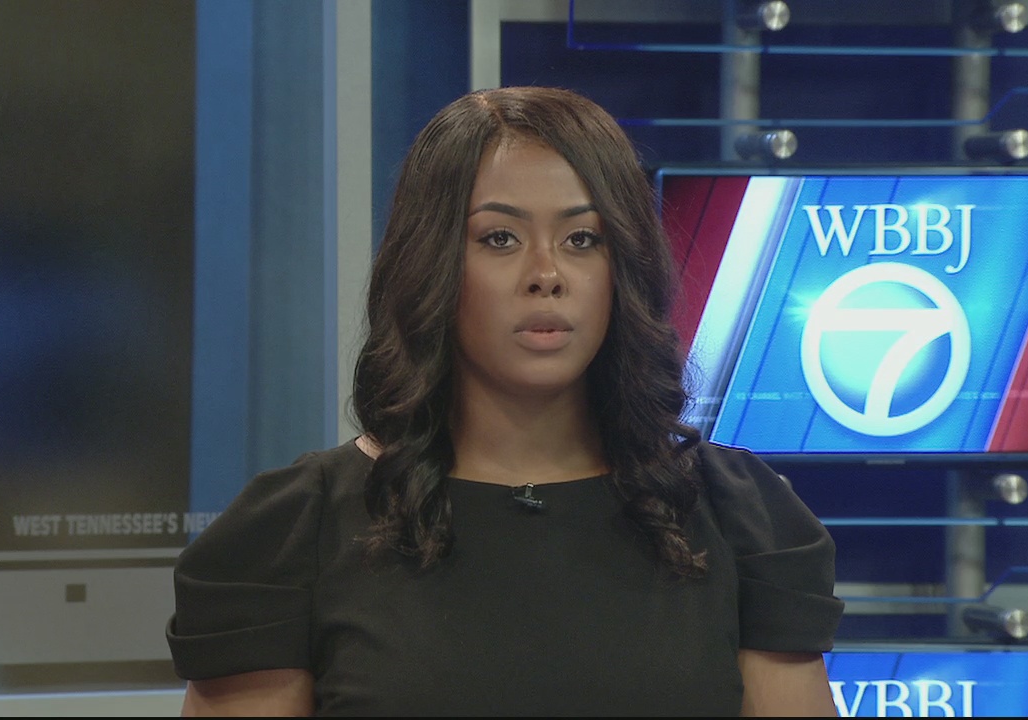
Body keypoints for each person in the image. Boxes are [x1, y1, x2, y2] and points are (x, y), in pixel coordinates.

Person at [166, 85, 845, 717]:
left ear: (623, 269)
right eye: (500, 239)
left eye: (582, 240)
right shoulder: (290, 536)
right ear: (431, 264)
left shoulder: (741, 518)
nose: (546, 274)